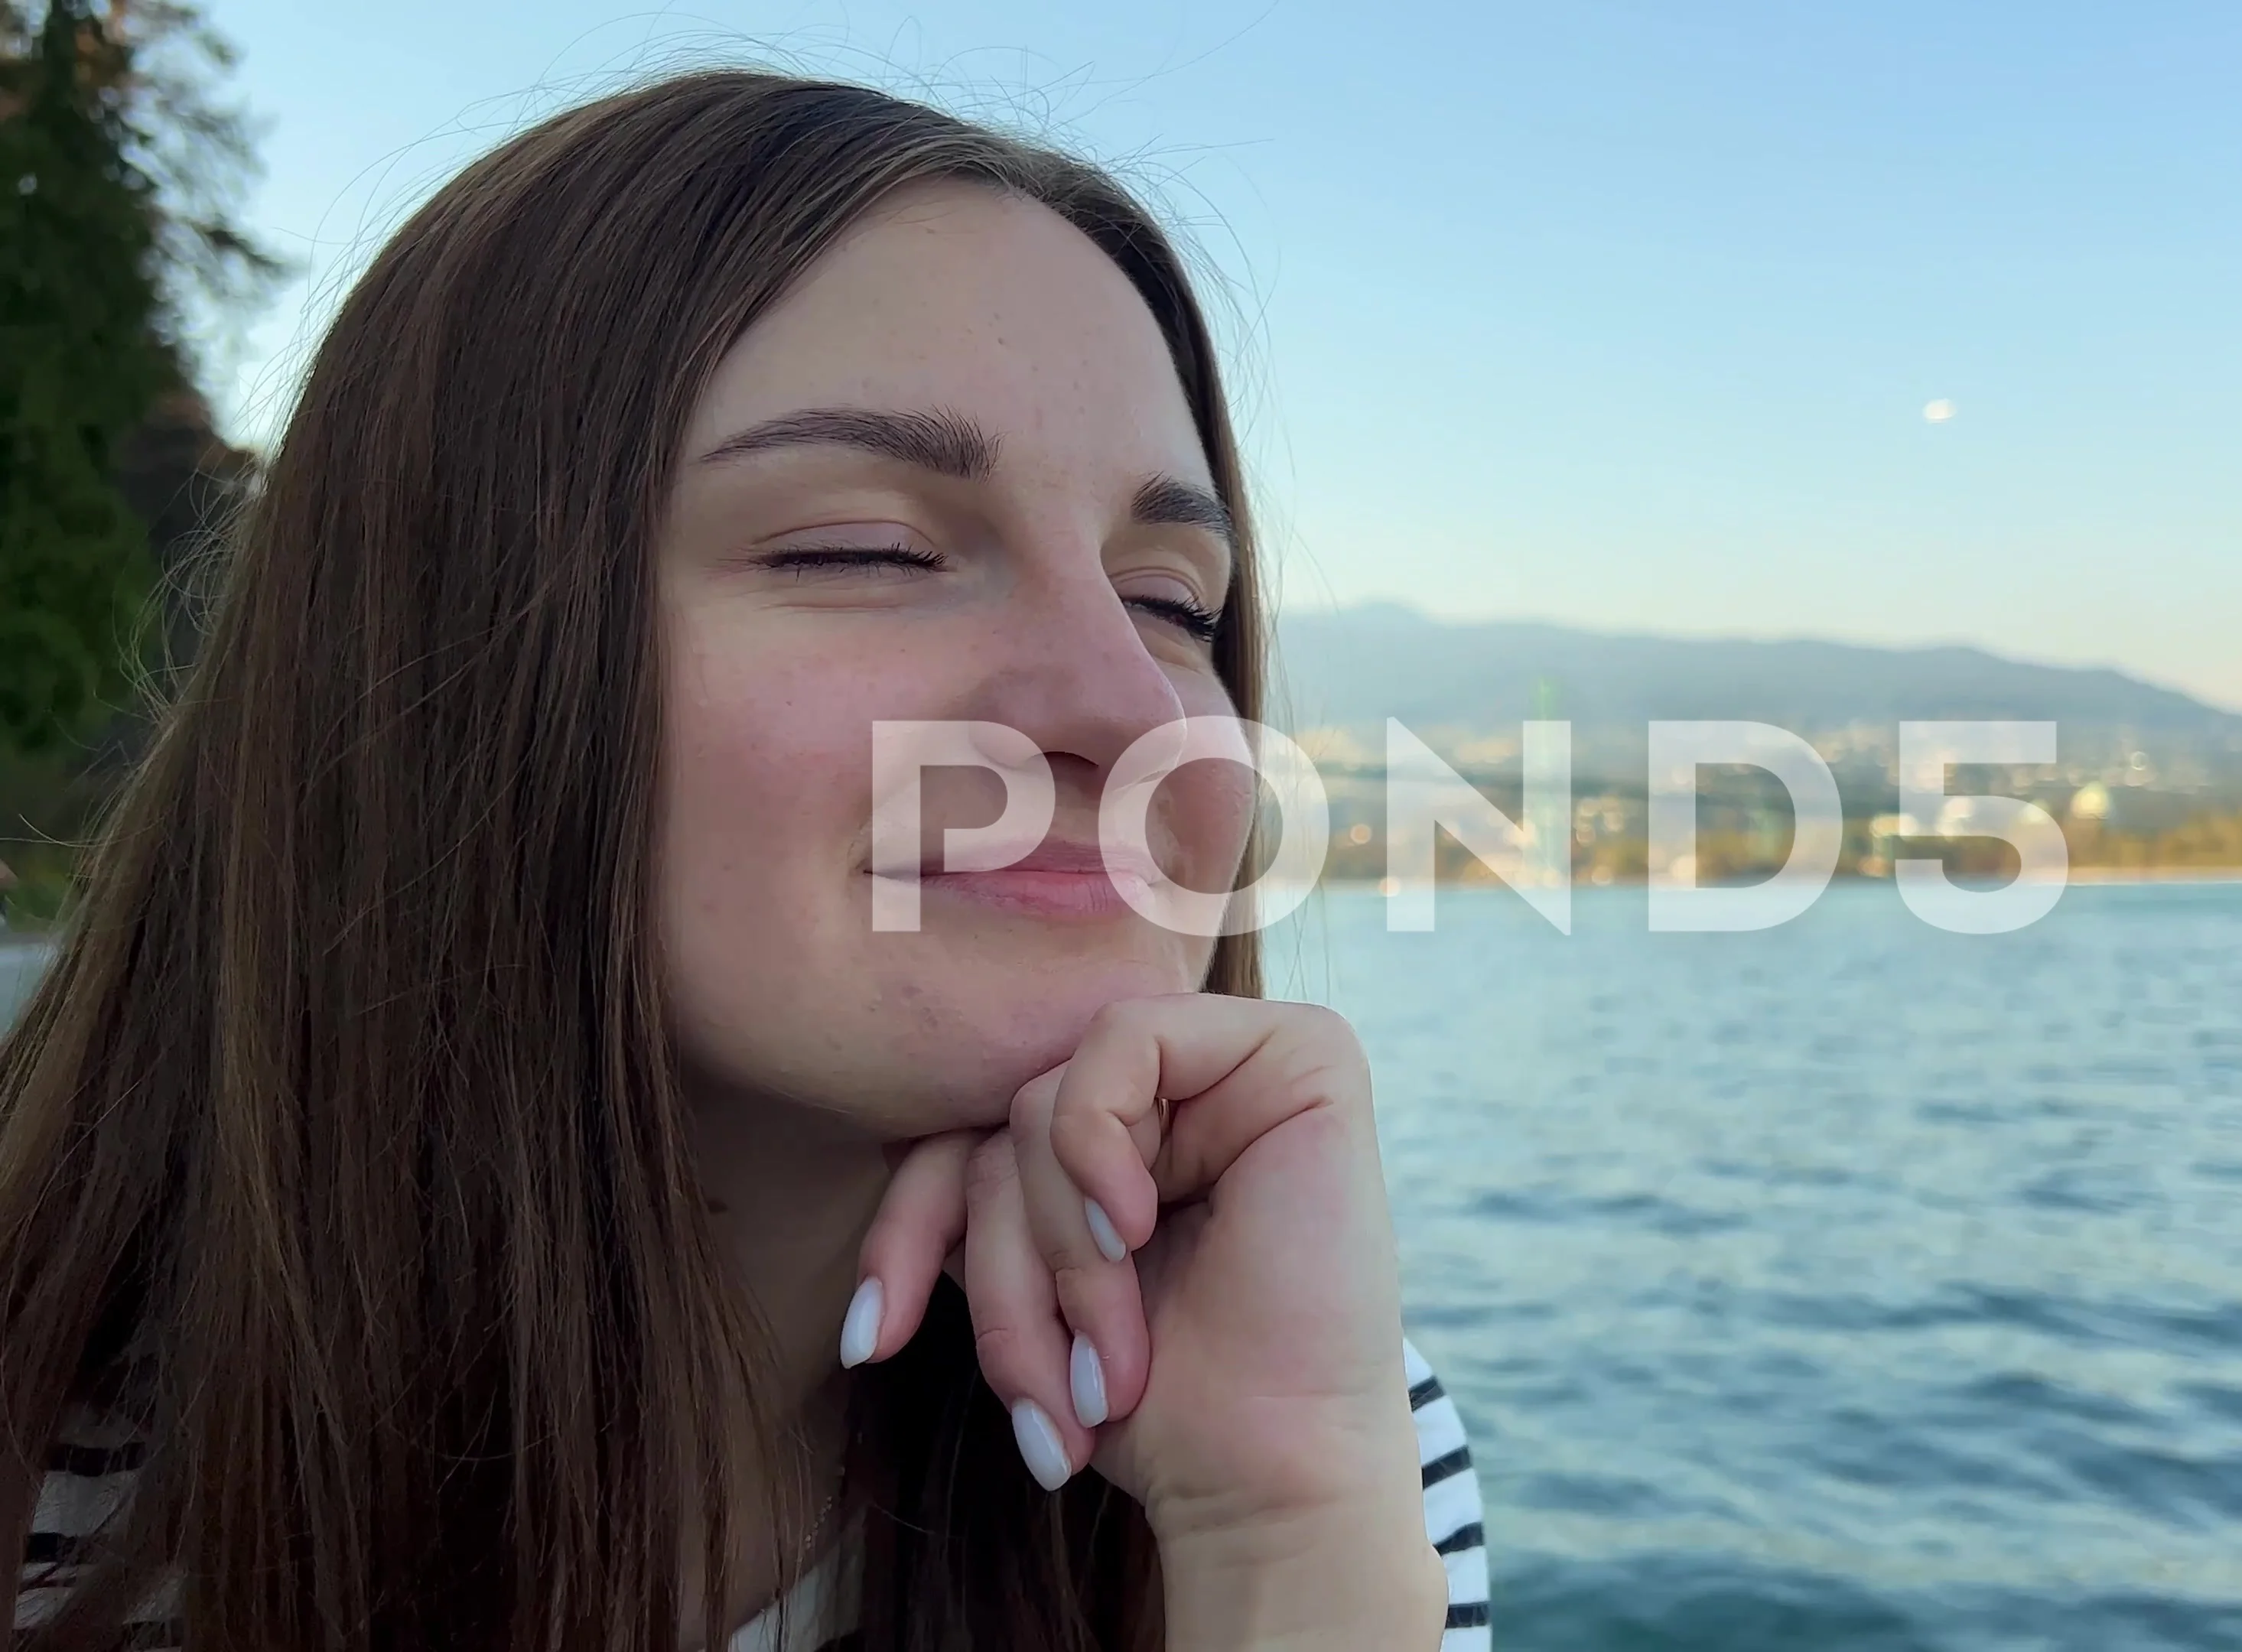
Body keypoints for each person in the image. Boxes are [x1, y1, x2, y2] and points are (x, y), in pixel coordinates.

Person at [1, 71, 1486, 1651]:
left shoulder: (1310, 1429)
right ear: (426, 662)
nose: (1132, 706)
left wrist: (1285, 1541)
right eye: (868, 551)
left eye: (1175, 602)